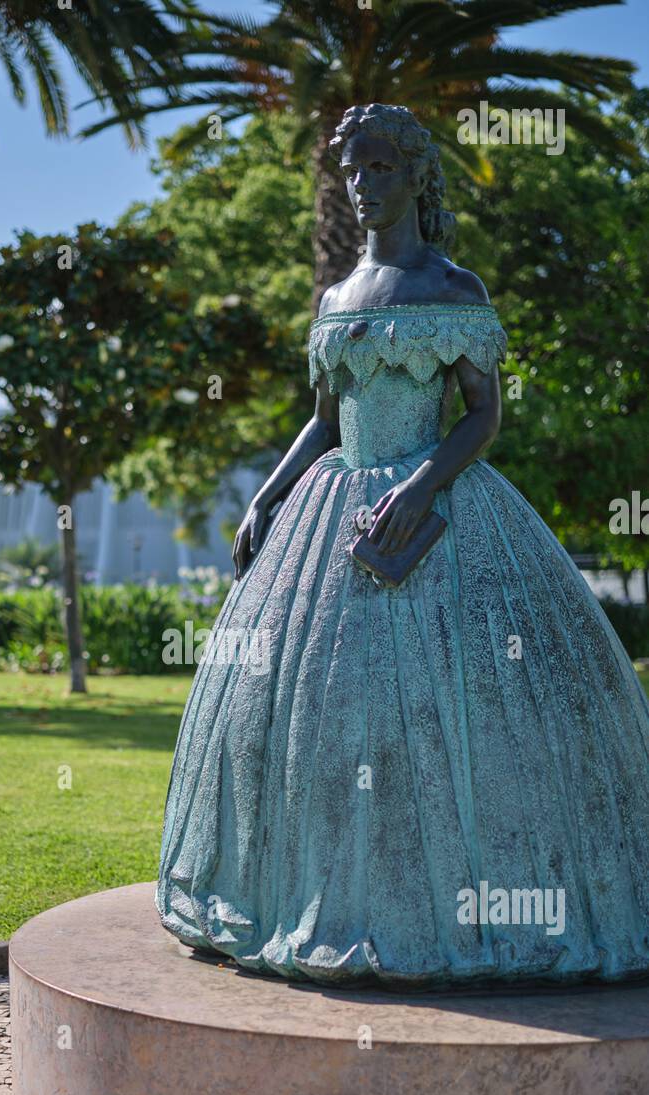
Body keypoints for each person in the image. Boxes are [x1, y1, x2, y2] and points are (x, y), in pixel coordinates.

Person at [156, 103, 649, 989]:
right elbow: (323, 424)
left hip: (440, 512)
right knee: (311, 712)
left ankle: (469, 907)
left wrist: (420, 487)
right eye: (354, 170)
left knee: (472, 717)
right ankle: (312, 898)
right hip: (332, 515)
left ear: (418, 176)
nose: (364, 183)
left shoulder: (455, 291)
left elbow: (484, 417)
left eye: (381, 167)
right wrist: (267, 498)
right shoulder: (336, 299)